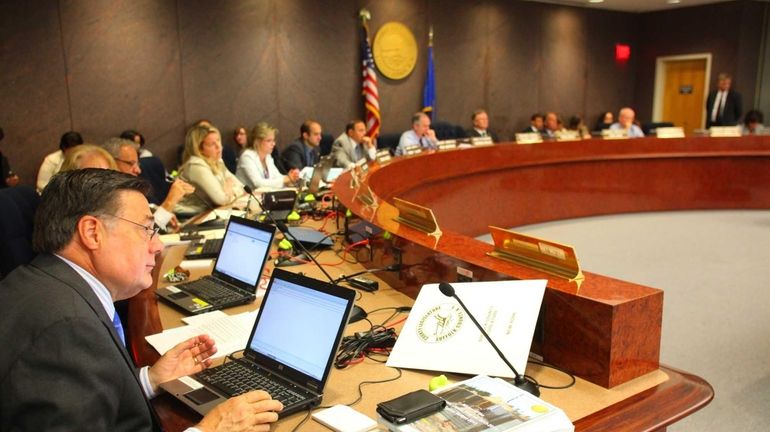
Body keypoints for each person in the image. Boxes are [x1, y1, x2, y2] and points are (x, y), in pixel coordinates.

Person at [0, 169, 283, 431]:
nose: (158, 245)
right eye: (146, 229)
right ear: (91, 233)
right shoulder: (67, 327)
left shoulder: (40, 284)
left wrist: (149, 380)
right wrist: (209, 430)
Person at [103, 137, 194, 231]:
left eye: (137, 164)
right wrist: (169, 202)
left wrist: (157, 210)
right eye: (131, 163)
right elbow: (146, 234)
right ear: (110, 161)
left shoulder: (130, 190)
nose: (138, 170)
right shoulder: (108, 196)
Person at [176, 124, 244, 214]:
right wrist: (228, 187)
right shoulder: (196, 166)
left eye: (218, 141)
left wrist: (230, 190)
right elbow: (221, 199)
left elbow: (242, 187)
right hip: (189, 218)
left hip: (210, 213)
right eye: (212, 144)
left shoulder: (217, 160)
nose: (218, 147)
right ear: (199, 149)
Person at [236, 122, 300, 190]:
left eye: (273, 140)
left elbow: (277, 177)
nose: (273, 144)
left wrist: (290, 178)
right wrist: (285, 179)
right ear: (257, 141)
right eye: (269, 140)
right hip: (244, 198)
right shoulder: (247, 156)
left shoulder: (267, 157)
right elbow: (258, 183)